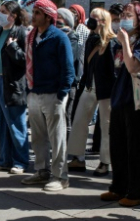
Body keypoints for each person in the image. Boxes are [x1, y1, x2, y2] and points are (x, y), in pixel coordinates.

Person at [99, 1, 140, 207]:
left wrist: (124, 42)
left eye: (128, 14)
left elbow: (134, 67)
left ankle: (135, 192)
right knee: (118, 147)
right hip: (120, 99)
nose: (123, 17)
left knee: (136, 148)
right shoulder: (124, 38)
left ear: (139, 17)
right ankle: (118, 187)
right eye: (122, 14)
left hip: (137, 103)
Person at [21, 0, 75, 192]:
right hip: (35, 92)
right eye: (33, 12)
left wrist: (62, 94)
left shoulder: (59, 37)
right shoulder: (31, 36)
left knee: (57, 139)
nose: (33, 15)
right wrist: (29, 91)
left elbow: (68, 69)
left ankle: (61, 176)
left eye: (37, 13)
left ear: (47, 16)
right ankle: (41, 171)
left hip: (54, 94)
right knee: (38, 137)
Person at [68, 7, 117, 177]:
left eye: (95, 17)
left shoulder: (112, 42)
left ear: (104, 21)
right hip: (90, 86)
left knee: (106, 126)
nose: (91, 20)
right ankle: (78, 158)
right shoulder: (91, 39)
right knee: (79, 121)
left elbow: (113, 71)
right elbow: (87, 65)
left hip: (106, 90)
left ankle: (105, 162)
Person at [0, 0, 30, 175]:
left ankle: (21, 161)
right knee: (0, 124)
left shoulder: (21, 33)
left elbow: (25, 60)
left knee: (16, 125)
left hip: (12, 85)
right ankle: (4, 159)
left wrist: (12, 46)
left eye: (3, 11)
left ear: (13, 15)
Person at [56, 8, 82, 141]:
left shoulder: (71, 37)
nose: (55, 22)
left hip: (68, 84)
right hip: (54, 83)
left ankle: (67, 145)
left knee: (66, 115)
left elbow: (67, 60)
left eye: (59, 19)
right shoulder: (52, 36)